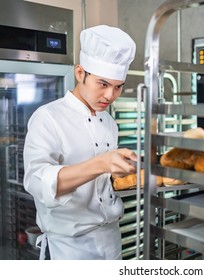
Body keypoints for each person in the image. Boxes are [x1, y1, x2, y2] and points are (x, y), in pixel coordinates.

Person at [23, 25, 137, 260]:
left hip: (112, 239)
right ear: (79, 73)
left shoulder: (109, 122)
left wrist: (123, 171)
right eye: (103, 84)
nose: (110, 96)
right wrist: (102, 164)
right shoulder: (48, 117)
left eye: (118, 87)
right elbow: (37, 182)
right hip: (71, 247)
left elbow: (103, 185)